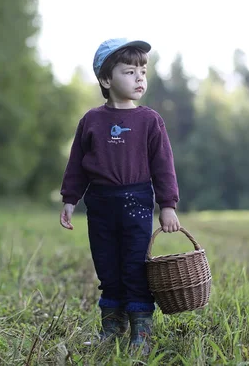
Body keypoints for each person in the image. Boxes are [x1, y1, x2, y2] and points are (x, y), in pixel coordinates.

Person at [59, 38, 181, 354]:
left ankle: (141, 331)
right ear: (105, 79)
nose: (140, 78)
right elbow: (77, 166)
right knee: (107, 267)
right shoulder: (91, 121)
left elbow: (163, 166)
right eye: (130, 71)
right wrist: (70, 200)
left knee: (136, 267)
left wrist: (167, 205)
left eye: (143, 71)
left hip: (137, 202)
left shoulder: (150, 121)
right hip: (99, 205)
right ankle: (112, 327)